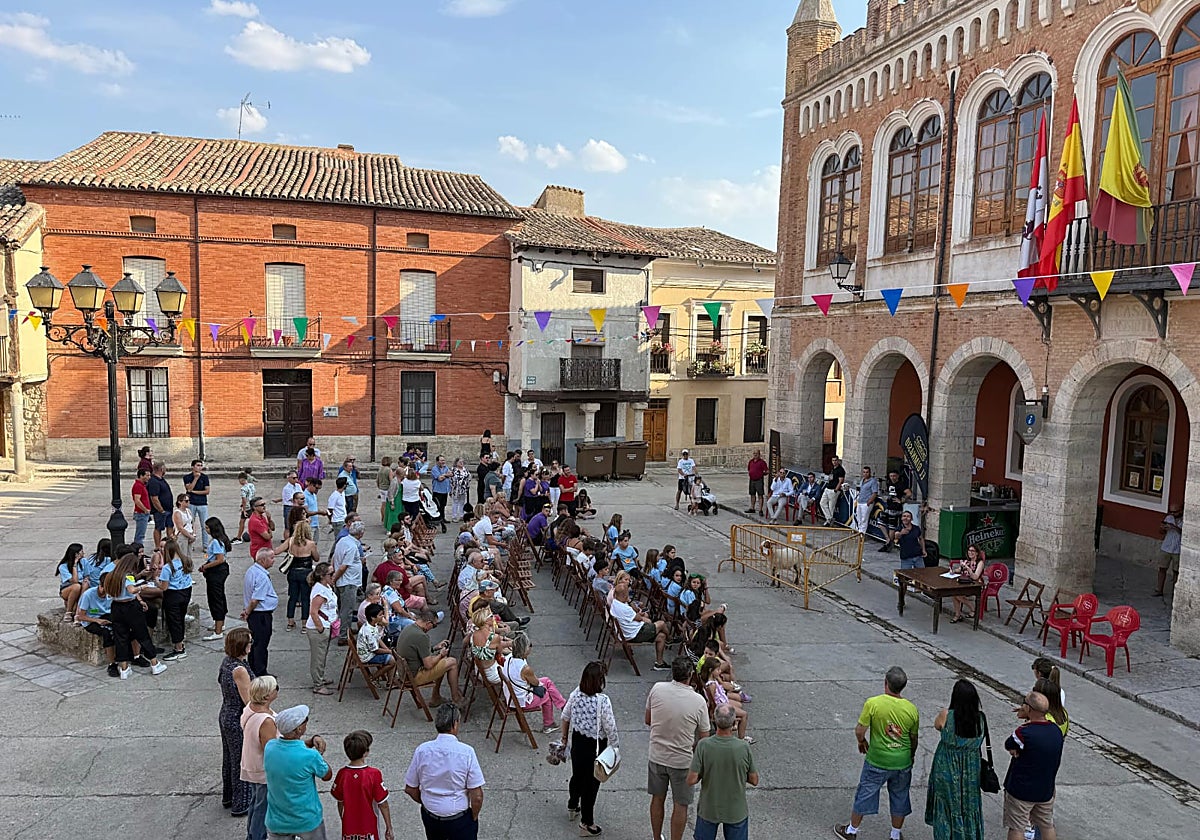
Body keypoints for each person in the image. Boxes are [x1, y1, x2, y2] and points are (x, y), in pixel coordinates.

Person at [834, 666, 920, 840]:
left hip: (877, 759)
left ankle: (851, 831)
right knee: (900, 795)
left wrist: (862, 741)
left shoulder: (873, 703)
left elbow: (860, 730)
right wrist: (910, 755)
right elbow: (913, 738)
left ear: (885, 683)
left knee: (865, 792)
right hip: (902, 762)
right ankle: (895, 835)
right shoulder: (911, 709)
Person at [647, 656, 711, 840]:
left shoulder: (657, 689)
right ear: (690, 675)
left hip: (657, 755)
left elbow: (648, 719)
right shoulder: (698, 701)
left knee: (657, 798)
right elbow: (704, 738)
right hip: (682, 761)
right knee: (680, 804)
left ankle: (656, 837)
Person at [404, 703, 484, 840]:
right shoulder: (467, 752)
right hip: (459, 819)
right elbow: (477, 796)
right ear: (455, 724)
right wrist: (473, 817)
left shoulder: (422, 750)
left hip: (430, 817)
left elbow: (410, 788)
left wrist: (427, 801)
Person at [558, 660, 619, 835]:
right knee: (591, 785)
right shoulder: (603, 701)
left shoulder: (576, 694)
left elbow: (565, 716)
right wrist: (615, 747)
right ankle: (587, 822)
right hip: (596, 747)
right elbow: (610, 727)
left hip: (578, 742)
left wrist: (564, 738)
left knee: (577, 776)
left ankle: (572, 805)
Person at [687, 703, 759, 840]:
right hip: (735, 809)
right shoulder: (743, 747)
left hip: (709, 808)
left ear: (714, 720)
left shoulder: (704, 745)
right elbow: (754, 780)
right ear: (734, 722)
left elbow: (691, 779)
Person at [924, 678, 985, 840]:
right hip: (971, 771)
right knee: (969, 805)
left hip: (947, 768)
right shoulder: (981, 719)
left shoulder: (946, 715)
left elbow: (937, 726)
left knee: (947, 804)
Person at [264, 704, 333, 840]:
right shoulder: (310, 756)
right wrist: (319, 757)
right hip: (306, 820)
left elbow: (292, 747)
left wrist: (312, 741)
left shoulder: (270, 747)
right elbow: (327, 775)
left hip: (277, 820)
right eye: (305, 720)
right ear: (299, 729)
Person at [1003, 691, 1064, 840]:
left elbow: (1008, 744)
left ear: (1029, 708)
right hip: (1045, 790)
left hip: (1021, 790)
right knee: (1047, 825)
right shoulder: (1056, 731)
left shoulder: (1024, 733)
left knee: (1017, 828)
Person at [104, 550, 167, 679]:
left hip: (116, 607)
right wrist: (141, 588)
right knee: (142, 634)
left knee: (120, 637)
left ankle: (124, 668)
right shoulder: (128, 576)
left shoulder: (111, 575)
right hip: (130, 607)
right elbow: (132, 589)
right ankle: (154, 663)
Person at [218, 627, 256, 817]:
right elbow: (248, 700)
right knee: (242, 760)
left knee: (230, 758)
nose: (251, 644)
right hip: (237, 719)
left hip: (226, 714)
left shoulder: (228, 662)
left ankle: (230, 797)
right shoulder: (239, 669)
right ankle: (242, 803)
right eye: (249, 642)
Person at [396, 608, 465, 706]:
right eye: (434, 625)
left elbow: (417, 651)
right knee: (452, 662)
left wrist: (435, 648)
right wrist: (441, 654)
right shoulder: (422, 636)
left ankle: (435, 697)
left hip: (404, 673)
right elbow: (428, 665)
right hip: (413, 676)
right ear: (428, 623)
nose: (433, 627)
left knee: (442, 662)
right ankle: (456, 699)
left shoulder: (409, 628)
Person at [500, 631, 566, 733]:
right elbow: (535, 683)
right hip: (520, 701)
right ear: (525, 650)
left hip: (511, 695)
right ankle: (549, 724)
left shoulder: (508, 658)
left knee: (547, 681)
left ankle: (563, 705)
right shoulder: (525, 668)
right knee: (547, 695)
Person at [333, 730, 394, 840]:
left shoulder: (342, 774)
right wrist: (389, 827)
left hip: (349, 829)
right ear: (365, 752)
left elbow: (340, 801)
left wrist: (343, 819)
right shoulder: (374, 774)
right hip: (369, 828)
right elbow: (383, 804)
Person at [241, 675, 279, 840]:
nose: (277, 689)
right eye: (275, 688)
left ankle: (251, 834)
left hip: (251, 763)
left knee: (256, 803)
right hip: (262, 769)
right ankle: (256, 837)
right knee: (262, 807)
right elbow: (270, 750)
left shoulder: (251, 707)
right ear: (267, 696)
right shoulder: (267, 721)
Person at [610, 576, 671, 670]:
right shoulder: (625, 608)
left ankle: (659, 663)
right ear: (624, 595)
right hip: (635, 633)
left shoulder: (615, 603)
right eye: (627, 593)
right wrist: (638, 611)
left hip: (626, 631)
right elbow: (639, 618)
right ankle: (670, 640)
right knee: (662, 623)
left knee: (661, 636)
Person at [241, 548, 278, 678]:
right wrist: (248, 611)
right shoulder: (261, 576)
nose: (274, 561)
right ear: (263, 560)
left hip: (256, 614)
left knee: (255, 643)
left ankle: (252, 667)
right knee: (261, 644)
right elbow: (256, 599)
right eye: (271, 558)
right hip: (260, 614)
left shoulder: (252, 571)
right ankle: (260, 671)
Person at [278, 519, 320, 632]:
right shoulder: (311, 544)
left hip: (293, 573)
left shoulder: (290, 541)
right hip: (306, 573)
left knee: (292, 597)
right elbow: (316, 558)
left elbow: (277, 550)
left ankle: (290, 622)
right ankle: (304, 624)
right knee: (305, 598)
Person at [156, 537, 193, 662]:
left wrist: (156, 580)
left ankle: (178, 649)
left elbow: (164, 587)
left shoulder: (167, 567)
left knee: (174, 621)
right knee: (180, 618)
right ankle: (180, 642)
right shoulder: (186, 561)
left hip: (173, 595)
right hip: (186, 592)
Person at [306, 562, 339, 696]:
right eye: (331, 574)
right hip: (318, 629)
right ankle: (318, 685)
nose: (334, 575)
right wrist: (320, 628)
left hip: (326, 626)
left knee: (322, 656)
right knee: (318, 658)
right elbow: (313, 612)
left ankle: (320, 677)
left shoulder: (326, 587)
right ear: (322, 576)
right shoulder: (319, 592)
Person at [332, 521, 366, 646]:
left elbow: (335, 558)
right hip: (348, 581)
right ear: (361, 534)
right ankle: (343, 636)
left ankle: (346, 630)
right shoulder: (352, 547)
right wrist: (334, 579)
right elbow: (343, 567)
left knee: (345, 608)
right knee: (347, 609)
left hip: (346, 580)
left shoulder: (343, 541)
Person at [76, 578, 118, 677]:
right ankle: (112, 664)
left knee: (121, 626)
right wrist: (97, 621)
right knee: (107, 632)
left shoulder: (110, 594)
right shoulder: (88, 595)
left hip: (105, 615)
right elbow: (81, 616)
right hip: (90, 620)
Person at [201, 517, 232, 641]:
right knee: (219, 596)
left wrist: (205, 566)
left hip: (216, 572)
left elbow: (219, 559)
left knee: (215, 599)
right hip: (219, 571)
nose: (206, 529)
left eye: (207, 527)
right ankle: (220, 623)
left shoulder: (215, 542)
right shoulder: (220, 540)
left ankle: (218, 630)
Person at [951, 545, 985, 623]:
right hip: (965, 582)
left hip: (975, 584)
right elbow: (959, 570)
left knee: (957, 595)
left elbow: (975, 577)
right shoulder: (967, 561)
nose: (970, 552)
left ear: (977, 553)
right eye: (969, 551)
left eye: (972, 551)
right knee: (954, 593)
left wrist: (968, 568)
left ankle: (973, 609)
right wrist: (953, 571)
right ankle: (957, 614)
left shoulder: (980, 563)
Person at [1156, 505, 1183, 597]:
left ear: (1181, 511)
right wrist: (1162, 528)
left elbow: (1184, 533)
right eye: (1171, 512)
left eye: (1175, 512)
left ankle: (1175, 592)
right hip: (1166, 547)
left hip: (1178, 549)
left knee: (1176, 572)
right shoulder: (1168, 518)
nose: (1172, 514)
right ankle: (1159, 590)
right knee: (1162, 569)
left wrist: (1173, 527)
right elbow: (1160, 532)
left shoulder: (1185, 520)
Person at [147, 461, 175, 548]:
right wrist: (161, 510)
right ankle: (158, 546)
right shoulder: (154, 481)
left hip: (168, 508)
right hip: (160, 510)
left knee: (170, 525)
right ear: (161, 469)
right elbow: (154, 498)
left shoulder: (161, 479)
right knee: (158, 527)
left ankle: (171, 544)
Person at [56, 543, 84, 623]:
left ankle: (78, 610)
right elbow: (74, 581)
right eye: (81, 552)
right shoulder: (63, 567)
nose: (83, 553)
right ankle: (68, 612)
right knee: (76, 586)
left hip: (82, 590)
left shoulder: (83, 562)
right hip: (68, 589)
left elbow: (88, 575)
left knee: (91, 610)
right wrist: (74, 566)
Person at [184, 458, 210, 537]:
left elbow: (207, 491)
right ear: (193, 467)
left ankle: (205, 545)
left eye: (201, 466)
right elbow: (189, 488)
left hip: (202, 503)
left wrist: (194, 492)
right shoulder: (187, 477)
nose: (200, 467)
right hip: (191, 503)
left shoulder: (205, 477)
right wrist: (195, 478)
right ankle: (190, 543)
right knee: (190, 524)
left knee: (204, 525)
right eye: (198, 465)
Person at [821, 455, 847, 526]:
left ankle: (828, 522)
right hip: (828, 488)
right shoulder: (833, 469)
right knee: (822, 503)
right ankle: (829, 518)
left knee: (831, 507)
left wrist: (836, 489)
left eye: (835, 460)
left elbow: (841, 481)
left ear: (838, 461)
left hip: (833, 490)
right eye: (833, 460)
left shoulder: (841, 470)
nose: (834, 462)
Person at [233, 471, 257, 543]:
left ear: (242, 479)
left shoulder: (243, 488)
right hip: (253, 505)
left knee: (242, 522)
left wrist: (243, 509)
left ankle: (238, 537)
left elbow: (244, 499)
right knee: (254, 520)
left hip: (247, 507)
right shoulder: (251, 485)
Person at [172, 494, 196, 560]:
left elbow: (192, 523)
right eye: (186, 501)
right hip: (182, 536)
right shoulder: (177, 513)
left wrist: (193, 534)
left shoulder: (188, 511)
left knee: (189, 556)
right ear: (180, 502)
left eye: (188, 501)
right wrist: (190, 536)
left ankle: (188, 568)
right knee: (182, 555)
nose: (188, 502)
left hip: (189, 534)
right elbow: (180, 527)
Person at [132, 468, 152, 546]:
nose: (149, 477)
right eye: (147, 475)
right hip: (141, 513)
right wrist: (145, 510)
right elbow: (137, 500)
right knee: (140, 535)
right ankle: (138, 550)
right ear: (141, 476)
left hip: (143, 513)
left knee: (141, 534)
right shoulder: (138, 486)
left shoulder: (142, 485)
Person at [856, 466, 879, 535]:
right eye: (864, 472)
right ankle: (859, 531)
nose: (865, 474)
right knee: (859, 518)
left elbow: (875, 492)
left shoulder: (873, 481)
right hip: (860, 501)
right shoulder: (862, 480)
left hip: (866, 503)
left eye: (867, 472)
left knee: (864, 519)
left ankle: (862, 534)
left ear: (870, 473)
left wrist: (869, 501)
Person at [430, 455, 451, 532]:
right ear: (437, 461)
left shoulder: (446, 468)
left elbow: (451, 474)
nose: (443, 462)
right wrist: (446, 475)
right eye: (441, 460)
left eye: (444, 460)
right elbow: (439, 478)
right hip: (438, 491)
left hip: (445, 490)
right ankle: (439, 520)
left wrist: (444, 475)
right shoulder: (434, 469)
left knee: (443, 505)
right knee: (438, 507)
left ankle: (443, 518)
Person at [746, 449, 768, 516]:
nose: (755, 455)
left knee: (760, 495)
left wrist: (761, 474)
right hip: (752, 480)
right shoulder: (751, 461)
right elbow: (749, 469)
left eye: (756, 453)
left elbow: (767, 471)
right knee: (752, 494)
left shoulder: (762, 462)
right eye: (754, 453)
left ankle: (760, 510)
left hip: (759, 480)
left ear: (759, 454)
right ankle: (752, 508)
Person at [376, 456, 394, 525]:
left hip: (381, 488)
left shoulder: (380, 469)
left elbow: (377, 480)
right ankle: (387, 518)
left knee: (383, 504)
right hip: (387, 489)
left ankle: (382, 518)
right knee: (388, 505)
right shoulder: (389, 470)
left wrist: (379, 486)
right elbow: (391, 480)